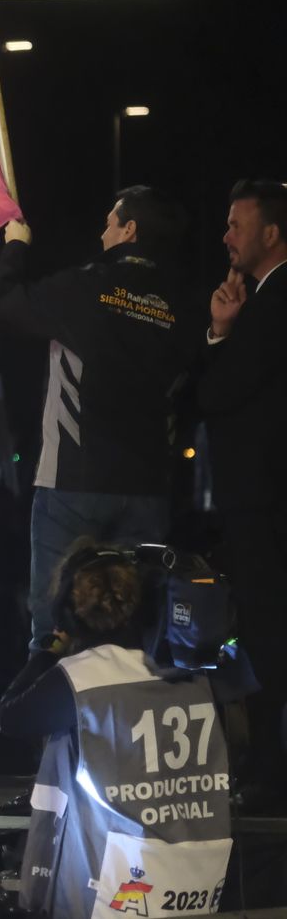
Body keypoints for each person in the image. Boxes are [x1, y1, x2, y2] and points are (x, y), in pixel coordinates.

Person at [0, 187, 202, 655]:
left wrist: (16, 244)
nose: (102, 232)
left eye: (110, 222)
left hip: (73, 485)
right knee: (138, 625)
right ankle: (130, 721)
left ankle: (59, 721)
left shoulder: (85, 287)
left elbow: (3, 304)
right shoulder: (184, 304)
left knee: (55, 627)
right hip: (147, 489)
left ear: (130, 230)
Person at [0, 544, 233, 917]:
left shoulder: (81, 678)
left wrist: (49, 650)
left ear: (70, 614)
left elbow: (10, 717)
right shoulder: (194, 676)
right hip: (200, 884)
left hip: (122, 888)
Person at [197, 179, 287, 812]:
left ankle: (270, 775)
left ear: (271, 234)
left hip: (265, 499)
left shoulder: (271, 306)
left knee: (265, 631)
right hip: (265, 495)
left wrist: (221, 333)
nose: (227, 235)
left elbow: (220, 396)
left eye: (237, 224)